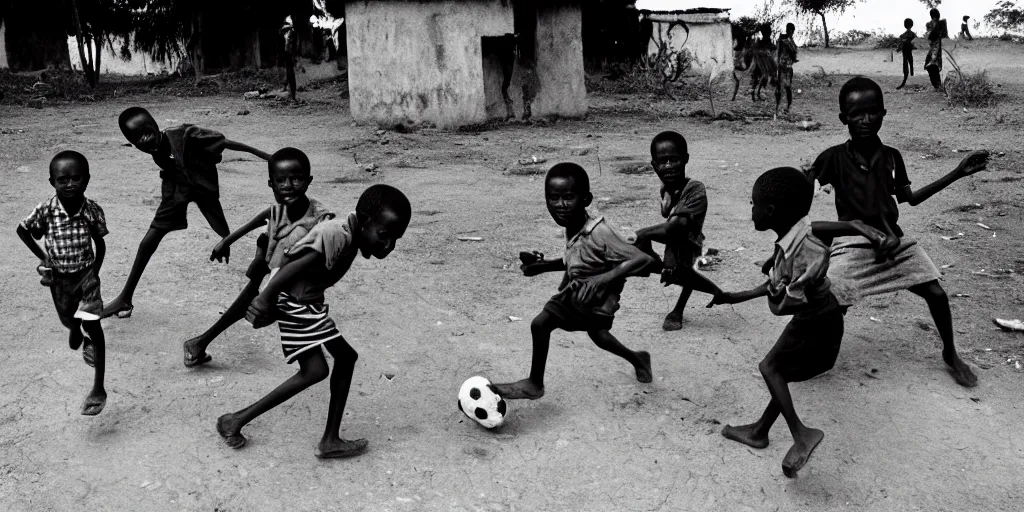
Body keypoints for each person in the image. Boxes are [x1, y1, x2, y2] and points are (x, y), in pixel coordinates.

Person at [804, 77, 989, 388]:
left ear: (883, 113)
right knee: (834, 302)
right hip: (853, 242)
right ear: (843, 119)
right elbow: (803, 187)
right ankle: (814, 353)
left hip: (894, 241)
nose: (865, 120)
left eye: (872, 112)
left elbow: (910, 199)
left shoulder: (892, 156)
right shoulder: (832, 157)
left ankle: (950, 353)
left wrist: (958, 172)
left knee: (936, 293)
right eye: (856, 115)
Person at [708, 167, 889, 478]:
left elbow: (784, 305)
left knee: (771, 368)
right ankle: (760, 430)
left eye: (753, 204)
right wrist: (732, 296)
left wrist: (774, 292)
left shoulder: (802, 252)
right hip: (821, 314)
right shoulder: (798, 235)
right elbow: (820, 228)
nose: (751, 210)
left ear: (771, 211)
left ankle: (801, 434)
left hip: (814, 320)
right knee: (782, 372)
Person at [217, 185, 411, 458]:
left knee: (333, 363)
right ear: (365, 222)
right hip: (296, 303)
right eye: (384, 236)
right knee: (325, 367)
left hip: (306, 304)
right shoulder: (338, 234)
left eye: (395, 240)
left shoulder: (348, 235)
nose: (389, 246)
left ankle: (238, 421)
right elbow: (293, 265)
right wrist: (265, 300)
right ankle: (241, 422)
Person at [493, 163, 655, 400]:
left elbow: (643, 259)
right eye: (553, 198)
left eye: (568, 197)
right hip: (581, 291)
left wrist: (602, 279)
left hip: (597, 295)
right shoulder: (572, 225)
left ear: (586, 199)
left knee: (542, 324)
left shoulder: (599, 231)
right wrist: (544, 265)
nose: (560, 205)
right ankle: (638, 358)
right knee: (597, 334)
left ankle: (534, 384)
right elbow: (579, 259)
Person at [103, 107, 272, 319]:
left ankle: (253, 268)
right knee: (149, 240)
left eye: (147, 131)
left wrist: (267, 156)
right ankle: (125, 297)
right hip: (178, 189)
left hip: (203, 187)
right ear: (134, 144)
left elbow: (226, 143)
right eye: (138, 139)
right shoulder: (155, 150)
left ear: (156, 125)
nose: (145, 140)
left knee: (222, 230)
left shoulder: (184, 135)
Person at [182, 148, 334, 367]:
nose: (288, 186)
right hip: (271, 265)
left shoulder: (320, 217)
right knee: (252, 306)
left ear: (308, 181)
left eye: (296, 179)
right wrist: (225, 242)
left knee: (297, 307)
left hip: (296, 276)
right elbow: (254, 223)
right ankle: (198, 343)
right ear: (271, 183)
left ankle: (198, 344)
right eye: (280, 180)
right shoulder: (276, 210)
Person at [17, 151, 109, 416]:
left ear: (87, 179)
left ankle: (98, 388)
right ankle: (74, 328)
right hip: (59, 279)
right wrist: (43, 256)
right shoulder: (46, 209)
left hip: (86, 277)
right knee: (68, 319)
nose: (70, 184)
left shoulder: (91, 210)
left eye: (76, 178)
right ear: (52, 182)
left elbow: (99, 243)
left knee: (95, 325)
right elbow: (23, 230)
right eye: (63, 180)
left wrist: (96, 271)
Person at [634, 131, 722, 331]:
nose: (668, 166)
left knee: (684, 273)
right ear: (653, 165)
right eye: (662, 161)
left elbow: (676, 226)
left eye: (674, 160)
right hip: (673, 239)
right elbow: (666, 213)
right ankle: (661, 267)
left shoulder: (695, 188)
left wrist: (643, 234)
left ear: (685, 159)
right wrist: (666, 203)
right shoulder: (666, 188)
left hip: (689, 238)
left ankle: (681, 308)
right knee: (677, 272)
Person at [750, 24, 778, 102]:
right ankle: (757, 92)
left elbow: (755, 52)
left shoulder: (760, 43)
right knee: (763, 77)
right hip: (765, 66)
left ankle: (755, 93)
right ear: (769, 32)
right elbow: (772, 56)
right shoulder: (769, 44)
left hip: (760, 65)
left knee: (758, 77)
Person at [775, 23, 798, 116]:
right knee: (784, 87)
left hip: (784, 66)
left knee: (783, 87)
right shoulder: (787, 41)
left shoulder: (784, 40)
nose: (791, 32)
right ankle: (784, 107)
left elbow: (779, 53)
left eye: (791, 30)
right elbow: (793, 54)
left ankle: (782, 107)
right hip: (785, 67)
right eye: (791, 30)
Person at [924, 9, 948, 91]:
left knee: (932, 66)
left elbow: (942, 36)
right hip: (935, 48)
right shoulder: (933, 24)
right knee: (932, 66)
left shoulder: (938, 24)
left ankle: (937, 85)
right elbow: (931, 37)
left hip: (937, 48)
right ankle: (937, 85)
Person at [896, 19, 917, 90]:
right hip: (908, 52)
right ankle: (911, 71)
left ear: (905, 25)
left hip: (905, 52)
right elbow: (916, 45)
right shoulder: (913, 35)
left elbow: (900, 45)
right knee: (910, 61)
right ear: (912, 25)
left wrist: (899, 48)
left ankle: (905, 79)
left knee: (905, 64)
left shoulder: (903, 35)